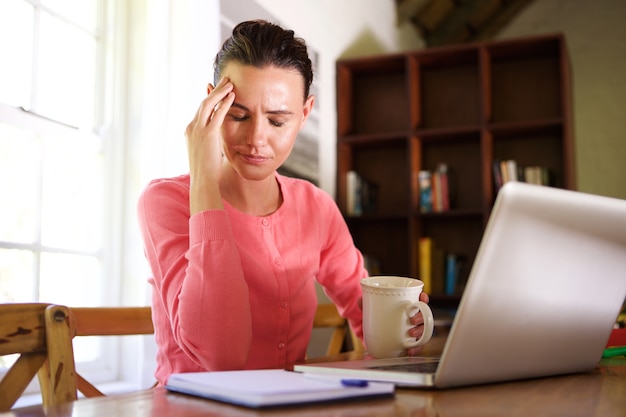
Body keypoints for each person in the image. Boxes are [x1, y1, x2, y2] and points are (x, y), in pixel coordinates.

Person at [137, 19, 429, 386]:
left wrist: (405, 327)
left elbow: (366, 313)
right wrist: (204, 179)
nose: (256, 139)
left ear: (305, 113)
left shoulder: (316, 207)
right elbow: (220, 354)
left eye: (277, 121)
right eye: (238, 115)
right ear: (211, 105)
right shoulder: (165, 201)